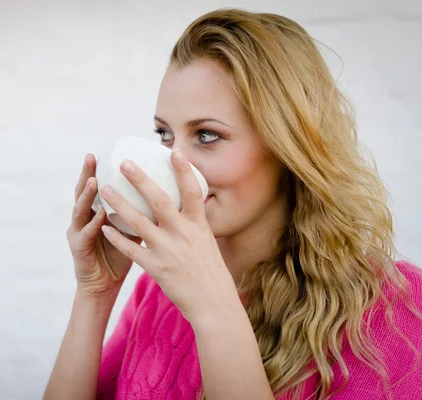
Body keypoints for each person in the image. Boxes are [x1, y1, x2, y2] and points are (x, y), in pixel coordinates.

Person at [43, 8, 422, 400]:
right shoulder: (157, 293)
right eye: (165, 134)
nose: (174, 166)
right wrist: (95, 293)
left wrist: (212, 311)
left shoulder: (396, 312)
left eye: (207, 136)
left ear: (287, 147)